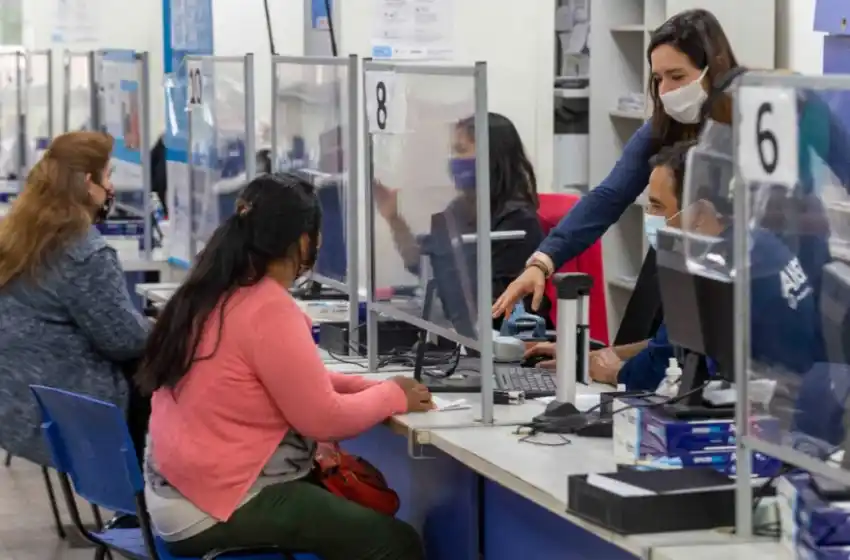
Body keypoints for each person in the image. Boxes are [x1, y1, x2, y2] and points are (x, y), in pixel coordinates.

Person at [136, 173, 428, 560]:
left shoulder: (214, 290)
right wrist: (392, 396)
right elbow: (322, 420)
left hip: (176, 496)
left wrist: (360, 386)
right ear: (304, 240)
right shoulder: (267, 309)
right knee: (396, 543)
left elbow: (277, 379)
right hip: (214, 508)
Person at [492, 8, 850, 323]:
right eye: (658, 79)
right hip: (695, 262)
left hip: (778, 268)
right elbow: (609, 195)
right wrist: (543, 261)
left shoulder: (768, 108)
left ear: (716, 65)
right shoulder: (665, 126)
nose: (665, 90)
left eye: (677, 77)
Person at [525, 141, 821, 391]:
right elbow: (672, 342)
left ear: (700, 213)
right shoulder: (753, 243)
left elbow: (657, 367)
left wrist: (609, 372)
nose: (650, 216)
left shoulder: (717, 268)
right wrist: (598, 354)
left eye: (657, 206)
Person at [0, 131, 151, 466]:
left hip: (17, 402)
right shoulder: (84, 252)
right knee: (175, 380)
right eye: (107, 176)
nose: (111, 188)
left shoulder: (19, 235)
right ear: (88, 182)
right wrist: (165, 327)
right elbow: (124, 341)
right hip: (73, 413)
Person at [375, 112, 549, 324]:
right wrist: (394, 219)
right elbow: (421, 264)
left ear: (491, 156)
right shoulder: (458, 209)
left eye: (461, 150)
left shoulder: (518, 222)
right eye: (452, 152)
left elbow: (485, 303)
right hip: (462, 337)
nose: (453, 160)